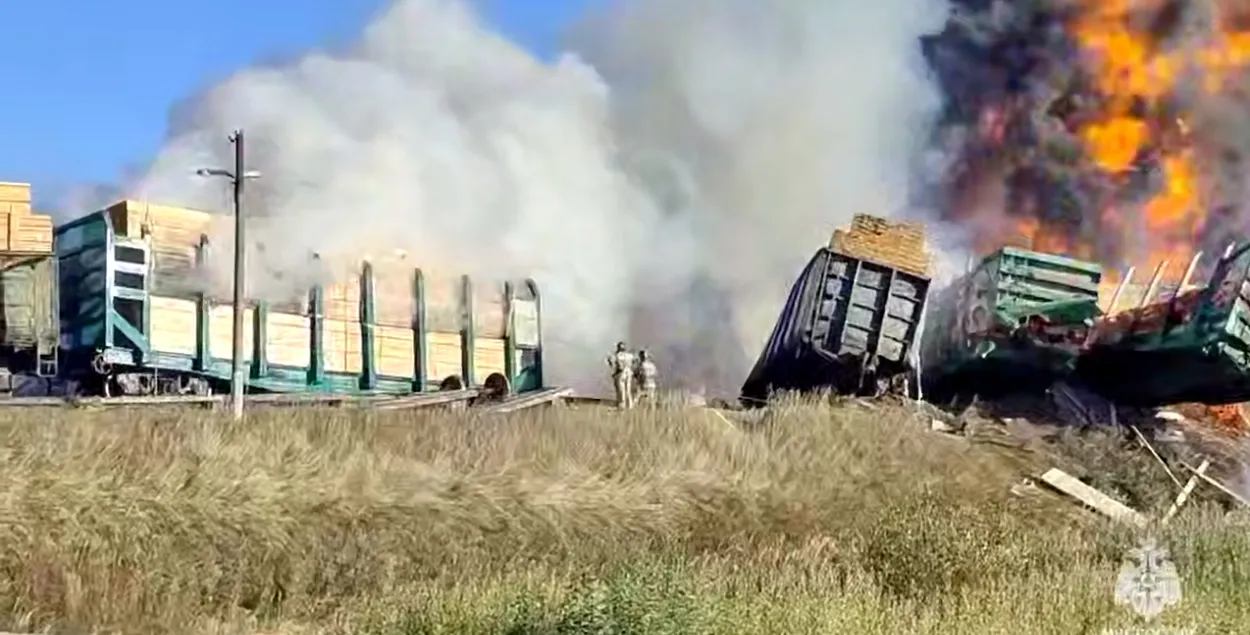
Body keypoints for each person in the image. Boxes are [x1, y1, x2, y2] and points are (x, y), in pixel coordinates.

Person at [606, 341, 636, 409]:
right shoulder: (629, 355)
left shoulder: (616, 355)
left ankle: (622, 404)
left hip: (620, 373)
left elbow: (612, 365)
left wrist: (609, 361)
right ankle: (630, 405)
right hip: (629, 372)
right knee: (628, 390)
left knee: (621, 390)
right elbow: (634, 362)